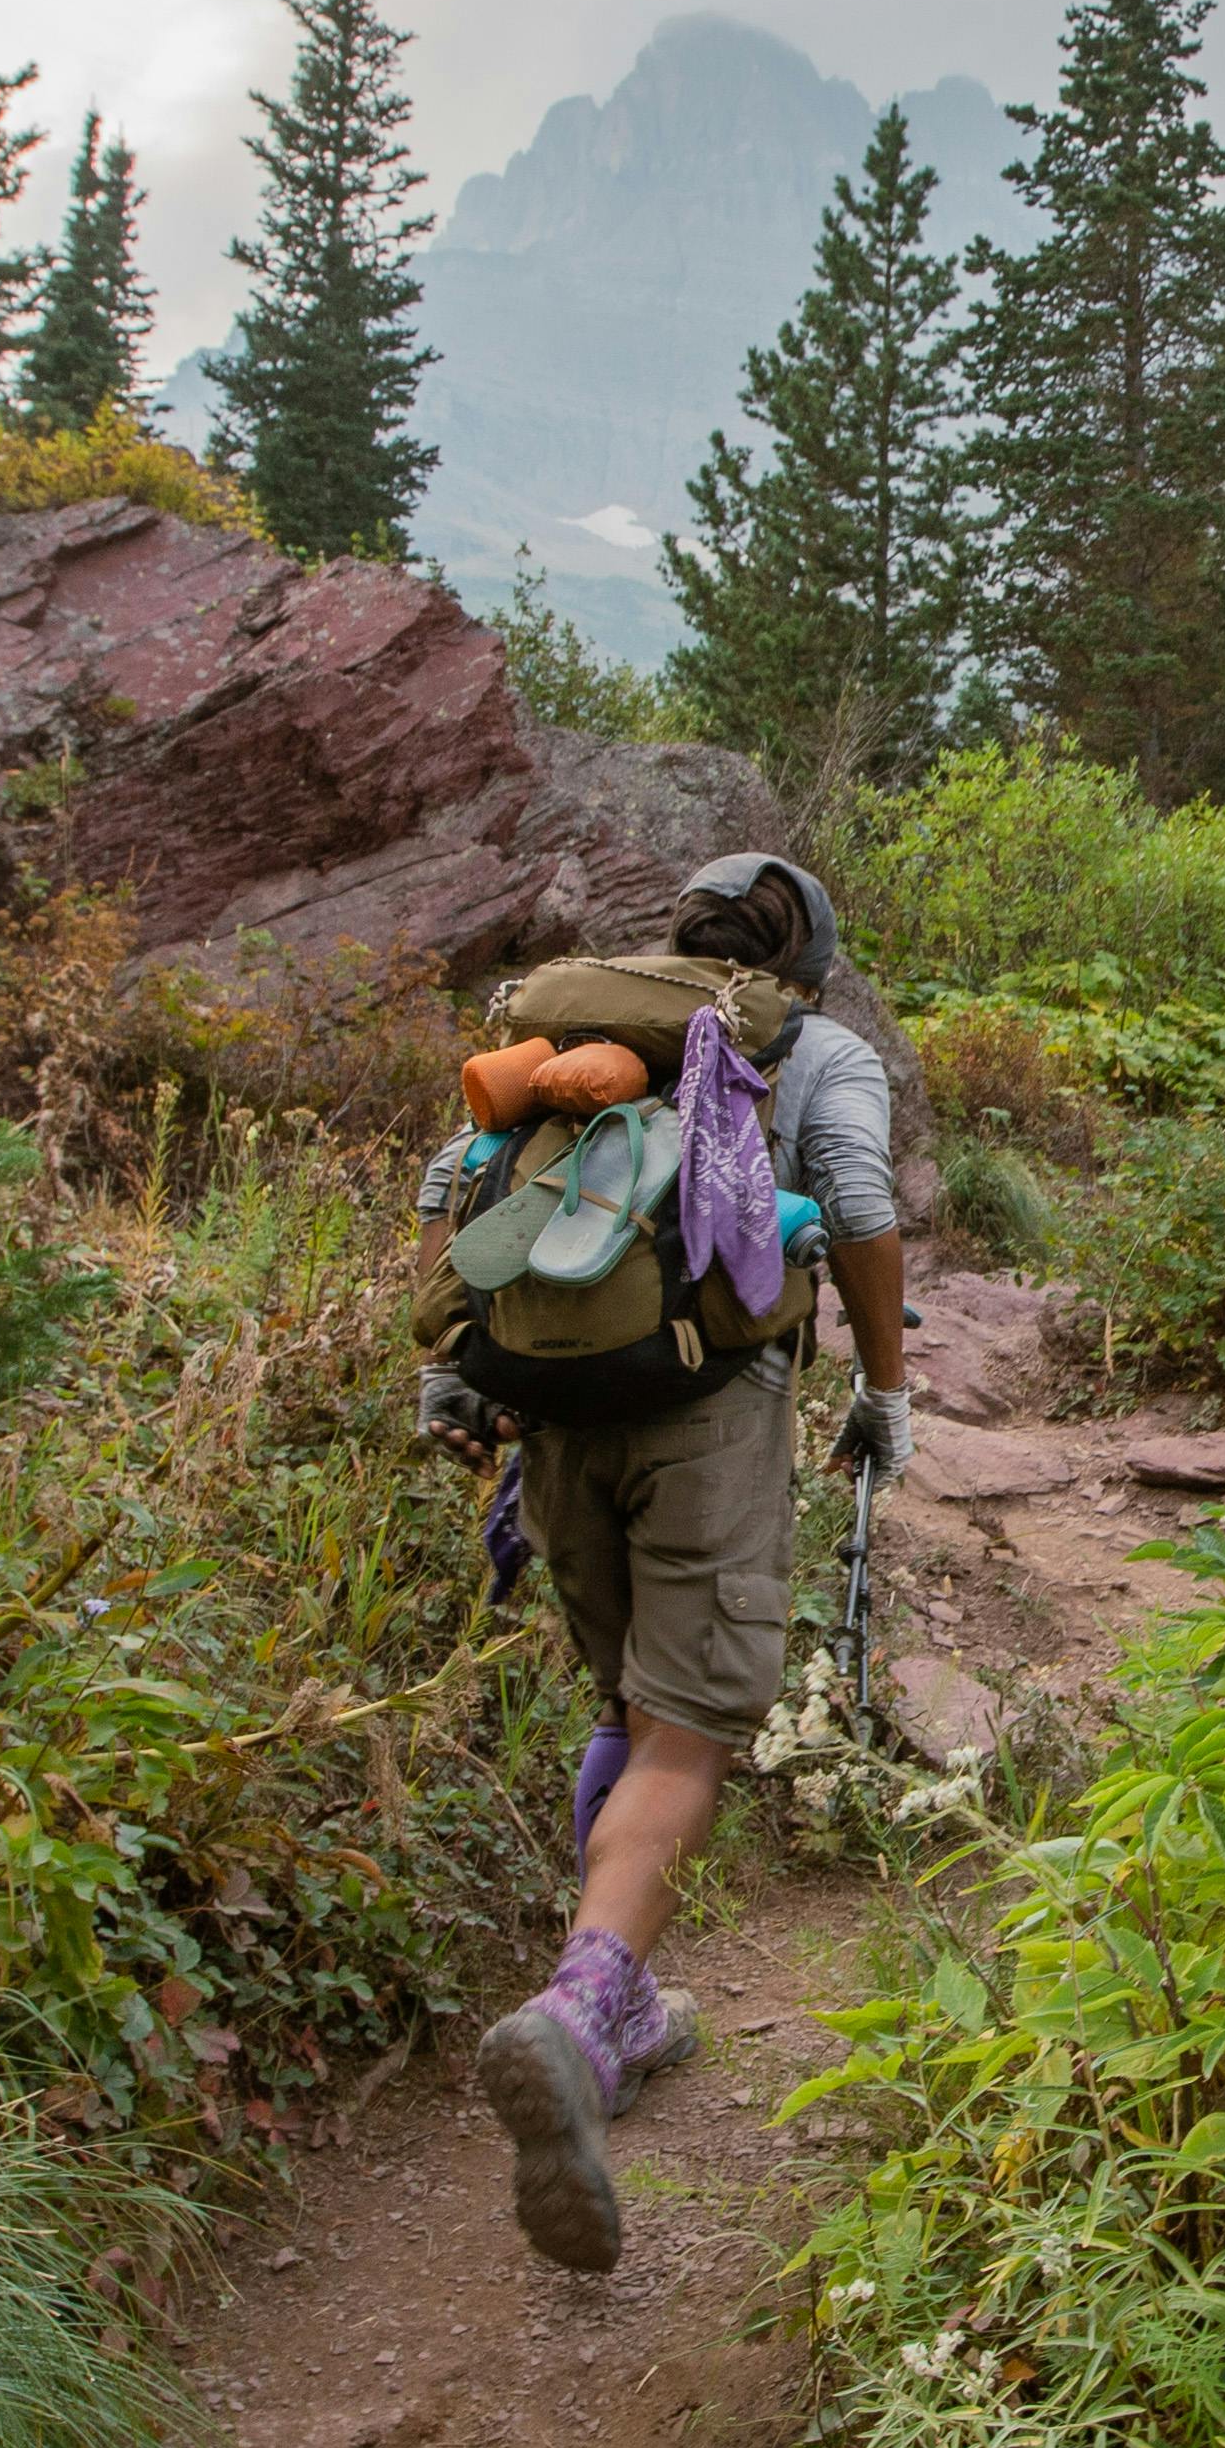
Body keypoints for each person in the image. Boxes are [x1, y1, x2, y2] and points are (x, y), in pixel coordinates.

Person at [420, 849, 913, 2273]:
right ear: (809, 961)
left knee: (624, 1713)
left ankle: (624, 2016)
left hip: (557, 1409)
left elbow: (458, 1183)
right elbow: (864, 1209)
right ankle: (582, 2010)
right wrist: (884, 1387)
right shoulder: (814, 1050)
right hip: (710, 1412)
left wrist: (459, 1374)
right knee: (690, 1733)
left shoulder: (589, 1034)